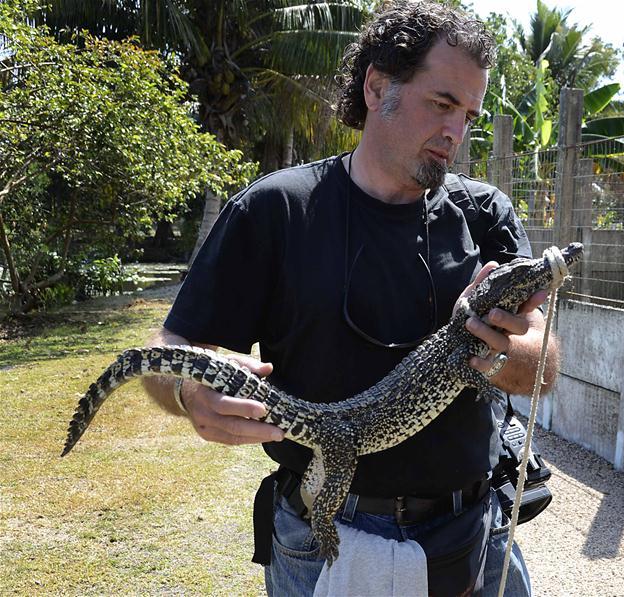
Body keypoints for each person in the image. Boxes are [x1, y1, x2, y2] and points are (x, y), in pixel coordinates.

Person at [142, 1, 559, 594]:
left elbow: (542, 357)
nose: (456, 133)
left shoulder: (483, 211)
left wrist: (498, 352)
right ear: (376, 86)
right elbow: (170, 345)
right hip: (320, 538)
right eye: (442, 104)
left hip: (475, 530)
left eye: (469, 114)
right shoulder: (275, 209)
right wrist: (186, 394)